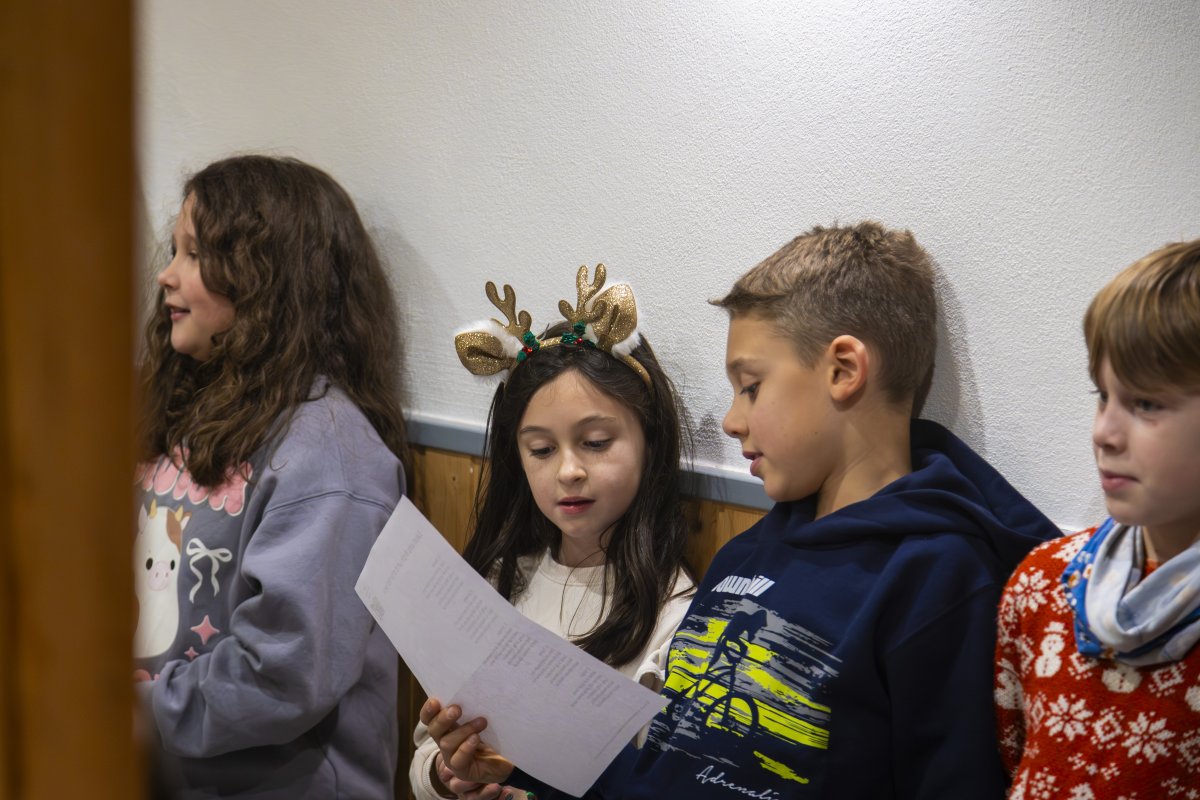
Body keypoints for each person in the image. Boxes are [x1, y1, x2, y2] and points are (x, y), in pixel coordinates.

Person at [426, 222, 1059, 799]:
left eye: (751, 387)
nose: (731, 420)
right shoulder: (743, 558)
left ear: (844, 370)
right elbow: (665, 777)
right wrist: (522, 763)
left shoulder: (939, 576)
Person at [133, 154, 407, 799]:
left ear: (266, 279)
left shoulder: (328, 454)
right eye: (174, 252)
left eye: (196, 255)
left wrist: (129, 713)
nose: (167, 276)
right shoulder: (188, 413)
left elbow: (283, 674)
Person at [410, 266, 696, 799]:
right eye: (541, 450)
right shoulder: (497, 582)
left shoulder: (674, 617)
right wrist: (447, 777)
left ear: (650, 441)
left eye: (595, 442)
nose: (568, 471)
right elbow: (428, 746)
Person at [994, 239, 1200, 799]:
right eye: (1102, 395)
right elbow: (1015, 756)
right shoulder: (1042, 585)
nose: (1103, 432)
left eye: (1146, 403)